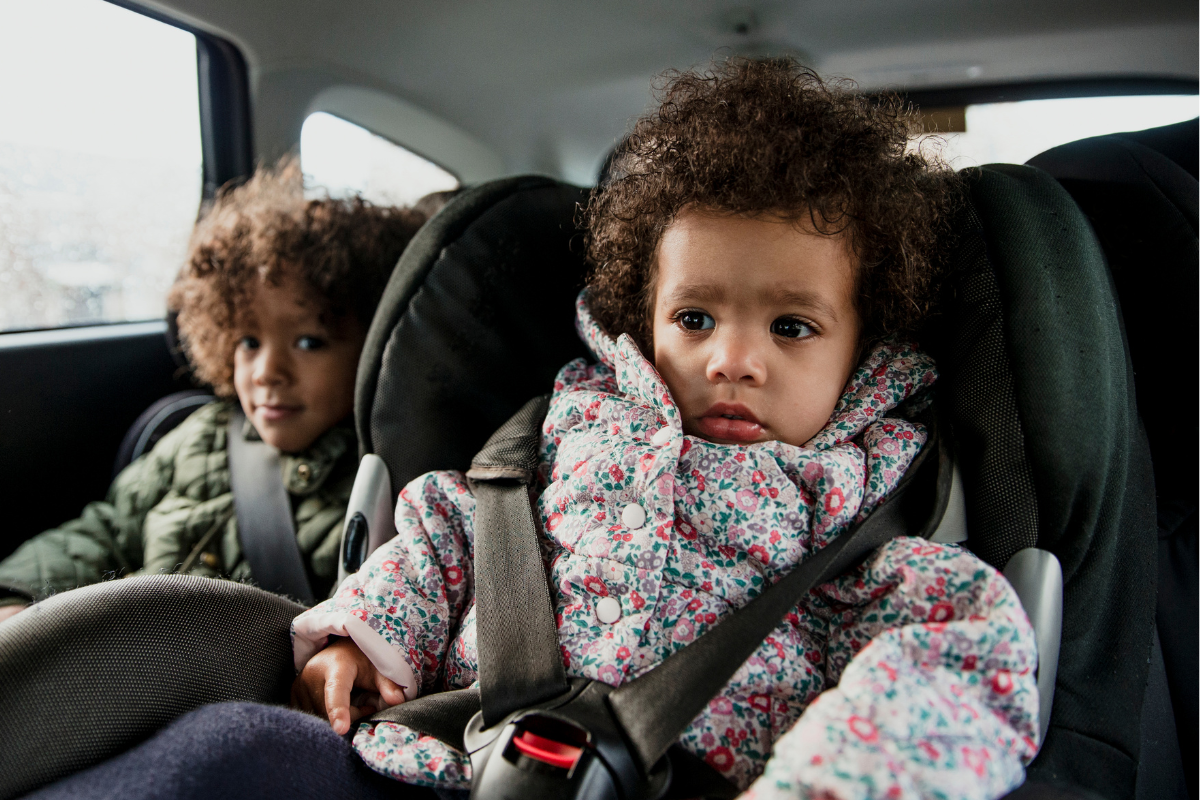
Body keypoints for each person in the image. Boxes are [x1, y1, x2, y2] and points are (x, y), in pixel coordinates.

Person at [290, 59, 1039, 799]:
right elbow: (449, 532)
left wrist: (826, 782)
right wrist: (362, 639)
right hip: (461, 763)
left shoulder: (864, 495)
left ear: (863, 347)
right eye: (694, 319)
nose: (733, 360)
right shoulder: (568, 426)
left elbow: (952, 652)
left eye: (791, 326)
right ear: (644, 322)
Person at [0, 159, 425, 621]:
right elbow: (108, 528)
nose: (266, 371)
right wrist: (16, 595)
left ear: (376, 347)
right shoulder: (199, 438)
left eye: (308, 342)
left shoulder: (384, 480)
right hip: (127, 658)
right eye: (248, 341)